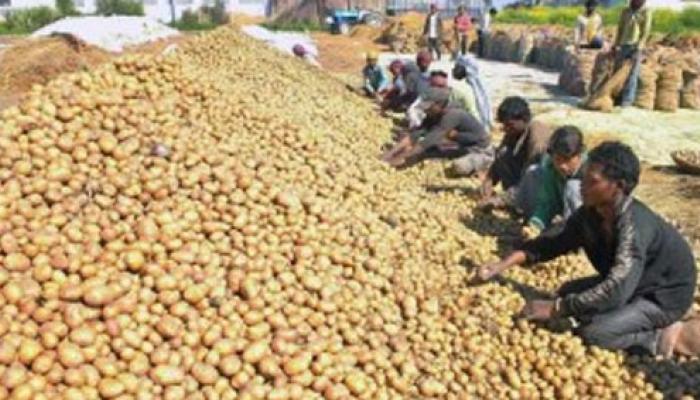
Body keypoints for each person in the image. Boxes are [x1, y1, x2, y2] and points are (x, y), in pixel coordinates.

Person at [478, 141, 700, 358]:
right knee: (568, 292)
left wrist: (556, 308)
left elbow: (618, 287)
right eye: (583, 176)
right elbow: (551, 243)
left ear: (619, 186)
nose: (582, 185)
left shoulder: (634, 225)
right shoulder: (590, 214)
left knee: (595, 333)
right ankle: (629, 317)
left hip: (662, 296)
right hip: (637, 282)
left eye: (591, 180)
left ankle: (664, 336)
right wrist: (501, 265)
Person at [382, 87, 493, 176]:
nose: (425, 110)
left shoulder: (452, 115)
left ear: (439, 105)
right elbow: (416, 134)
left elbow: (429, 141)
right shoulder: (434, 114)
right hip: (461, 144)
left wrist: (402, 157)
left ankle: (485, 166)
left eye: (429, 107)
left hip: (480, 149)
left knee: (458, 167)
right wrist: (389, 154)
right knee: (425, 152)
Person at [479, 97, 553, 216]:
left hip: (543, 187)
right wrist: (489, 181)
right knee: (504, 153)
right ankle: (515, 201)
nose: (506, 129)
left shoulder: (537, 137)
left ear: (524, 119)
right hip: (521, 181)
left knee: (532, 172)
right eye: (504, 125)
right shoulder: (514, 131)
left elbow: (531, 177)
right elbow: (499, 158)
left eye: (509, 125)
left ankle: (526, 209)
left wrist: (501, 200)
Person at [527, 126, 586, 232]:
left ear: (579, 155)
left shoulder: (590, 170)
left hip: (589, 222)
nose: (562, 165)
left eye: (567, 159)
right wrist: (535, 224)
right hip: (563, 207)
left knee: (572, 187)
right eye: (558, 159)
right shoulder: (551, 168)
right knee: (534, 171)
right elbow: (547, 201)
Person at [612, 0, 652, 107]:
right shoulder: (625, 11)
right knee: (618, 72)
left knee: (632, 74)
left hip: (635, 46)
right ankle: (617, 96)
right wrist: (616, 44)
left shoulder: (646, 12)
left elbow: (645, 33)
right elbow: (620, 28)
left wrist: (639, 48)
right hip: (623, 44)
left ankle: (627, 100)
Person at [452, 55, 492, 131]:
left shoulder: (471, 88)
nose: (454, 69)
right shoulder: (467, 84)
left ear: (466, 69)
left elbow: (482, 107)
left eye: (457, 67)